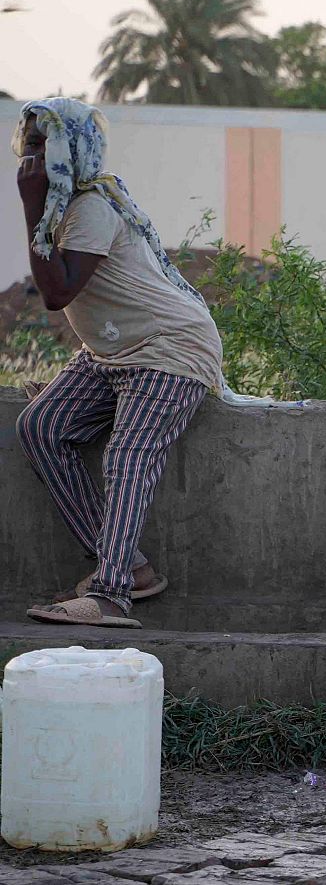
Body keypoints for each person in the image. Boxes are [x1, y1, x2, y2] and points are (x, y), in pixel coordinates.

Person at [14, 98, 227, 629]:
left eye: (46, 144)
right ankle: (128, 566)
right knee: (41, 427)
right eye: (30, 143)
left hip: (170, 350)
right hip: (111, 353)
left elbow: (57, 292)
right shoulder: (65, 207)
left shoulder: (89, 208)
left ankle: (110, 595)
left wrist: (30, 205)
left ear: (75, 148)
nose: (33, 158)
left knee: (129, 451)